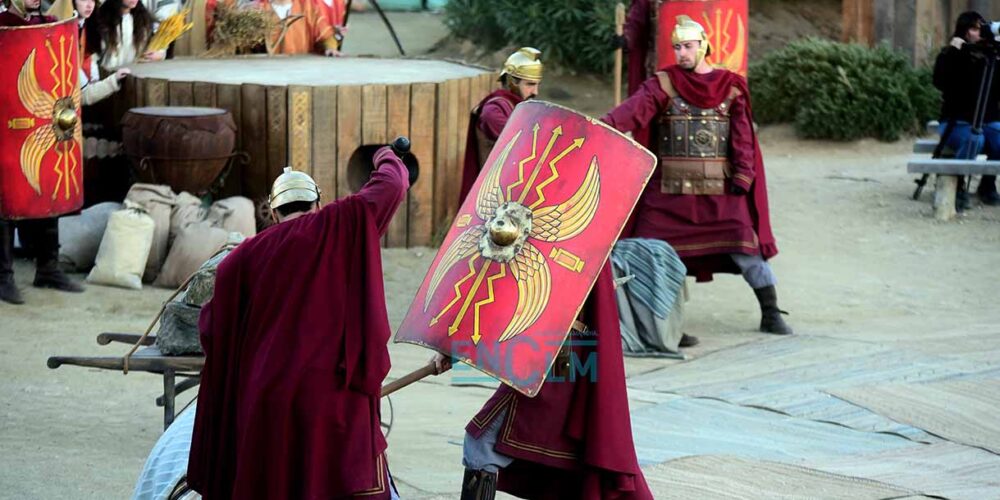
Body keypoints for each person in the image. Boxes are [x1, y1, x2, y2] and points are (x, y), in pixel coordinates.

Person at [188, 145, 408, 499]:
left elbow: (212, 329)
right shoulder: (340, 222)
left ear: (273, 214)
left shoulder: (239, 260)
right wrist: (386, 154)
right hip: (328, 403)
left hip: (264, 403)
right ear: (317, 203)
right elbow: (394, 184)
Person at [603, 16, 793, 336]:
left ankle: (771, 313)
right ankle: (661, 327)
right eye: (677, 47)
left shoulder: (731, 87)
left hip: (719, 190)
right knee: (647, 253)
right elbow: (632, 112)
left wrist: (744, 176)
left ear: (703, 46)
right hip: (669, 192)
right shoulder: (661, 84)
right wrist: (600, 124)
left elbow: (742, 137)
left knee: (748, 249)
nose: (681, 54)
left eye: (688, 46)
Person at [432, 263, 652, 500]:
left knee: (481, 443)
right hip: (561, 353)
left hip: (556, 355)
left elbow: (509, 288)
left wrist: (455, 345)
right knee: (566, 459)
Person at [1, 0, 85, 305]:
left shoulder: (47, 23)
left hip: (45, 126)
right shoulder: (4, 25)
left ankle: (48, 268)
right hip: (5, 126)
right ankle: (3, 276)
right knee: (7, 200)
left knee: (47, 187)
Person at [932, 10, 1000, 209]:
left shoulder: (991, 58)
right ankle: (958, 185)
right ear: (963, 32)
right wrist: (956, 54)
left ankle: (988, 185)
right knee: (974, 139)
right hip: (956, 120)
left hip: (987, 121)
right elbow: (940, 82)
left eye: (981, 29)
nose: (978, 34)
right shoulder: (950, 55)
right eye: (973, 29)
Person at [458, 47, 542, 204]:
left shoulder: (519, 106)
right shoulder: (495, 109)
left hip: (512, 191)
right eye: (530, 84)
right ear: (512, 82)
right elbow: (524, 145)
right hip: (494, 195)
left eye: (537, 84)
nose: (535, 91)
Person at [75, 0, 131, 106]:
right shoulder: (64, 34)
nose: (89, 5)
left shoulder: (86, 27)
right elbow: (84, 96)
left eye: (92, 0)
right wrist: (114, 79)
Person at [87, 0, 164, 72]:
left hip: (136, 77)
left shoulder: (144, 20)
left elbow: (159, 46)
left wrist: (159, 54)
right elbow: (92, 55)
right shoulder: (100, 20)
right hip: (107, 77)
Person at [259, 0, 339, 56]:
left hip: (300, 73)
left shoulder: (306, 7)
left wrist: (330, 48)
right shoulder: (258, 9)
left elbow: (326, 36)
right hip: (266, 73)